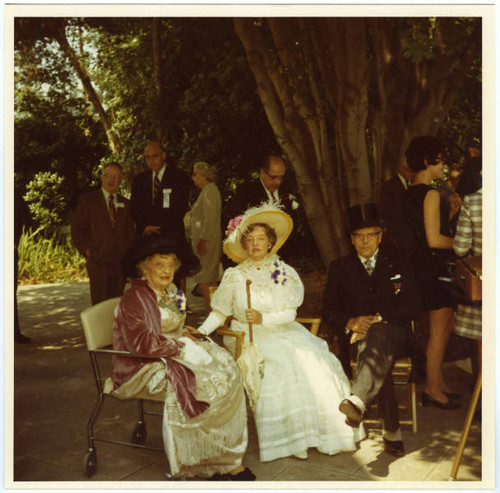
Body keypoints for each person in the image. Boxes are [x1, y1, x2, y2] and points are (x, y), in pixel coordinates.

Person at [198, 202, 364, 463]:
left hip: (284, 329)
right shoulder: (234, 275)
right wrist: (201, 332)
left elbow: (290, 313)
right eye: (250, 239)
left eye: (260, 239)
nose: (255, 245)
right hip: (248, 335)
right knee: (281, 363)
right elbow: (219, 312)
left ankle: (318, 434)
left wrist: (265, 317)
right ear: (243, 244)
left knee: (315, 359)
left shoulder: (282, 272)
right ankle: (288, 439)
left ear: (269, 242)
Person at [110, 234, 254, 481]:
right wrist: (180, 344)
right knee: (203, 384)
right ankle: (198, 462)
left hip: (171, 350)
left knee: (228, 369)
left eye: (171, 265)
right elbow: (142, 343)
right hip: (142, 365)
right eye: (159, 265)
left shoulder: (172, 290)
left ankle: (223, 457)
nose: (167, 271)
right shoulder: (134, 298)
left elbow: (169, 325)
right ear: (144, 267)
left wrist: (186, 333)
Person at [322, 203, 420, 458]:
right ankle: (391, 430)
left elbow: (413, 305)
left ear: (380, 236)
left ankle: (358, 399)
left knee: (377, 338)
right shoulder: (340, 267)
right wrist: (351, 322)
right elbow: (329, 310)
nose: (365, 241)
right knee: (376, 351)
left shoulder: (398, 262)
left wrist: (379, 318)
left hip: (397, 334)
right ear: (352, 240)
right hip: (360, 339)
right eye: (359, 236)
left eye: (371, 235)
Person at [402, 136, 461, 409]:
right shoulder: (431, 193)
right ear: (427, 161)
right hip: (434, 270)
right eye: (441, 159)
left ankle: (438, 381)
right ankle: (432, 388)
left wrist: (449, 215)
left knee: (444, 327)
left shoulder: (409, 193)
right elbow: (434, 240)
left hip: (420, 268)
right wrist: (463, 245)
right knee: (440, 329)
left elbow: (423, 230)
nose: (444, 166)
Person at [71, 162, 135, 305]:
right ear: (101, 177)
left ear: (121, 180)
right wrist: (87, 251)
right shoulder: (88, 200)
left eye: (116, 176)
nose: (111, 180)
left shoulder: (126, 204)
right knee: (100, 306)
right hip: (98, 262)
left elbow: (130, 233)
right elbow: (76, 229)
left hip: (119, 264)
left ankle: (114, 329)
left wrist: (127, 255)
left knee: (116, 305)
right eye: (108, 176)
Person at [453, 157, 482, 372]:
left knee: (485, 342)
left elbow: (461, 249)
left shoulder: (472, 202)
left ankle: (485, 397)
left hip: (485, 283)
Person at [130, 140, 190, 239]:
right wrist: (144, 227)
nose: (151, 160)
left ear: (163, 156)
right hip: (147, 236)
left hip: (171, 236)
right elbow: (134, 207)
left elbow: (180, 207)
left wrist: (159, 228)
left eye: (155, 156)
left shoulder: (179, 177)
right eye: (147, 157)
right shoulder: (139, 180)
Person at [225, 155, 298, 222]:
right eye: (273, 177)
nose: (278, 182)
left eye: (281, 177)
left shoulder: (287, 189)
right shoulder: (246, 192)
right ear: (262, 173)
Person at [190, 161, 222, 309]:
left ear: (203, 175)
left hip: (207, 242)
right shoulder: (208, 191)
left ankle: (212, 314)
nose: (193, 178)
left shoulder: (210, 191)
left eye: (195, 174)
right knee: (209, 279)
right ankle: (215, 314)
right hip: (206, 240)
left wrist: (202, 240)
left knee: (204, 278)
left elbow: (211, 219)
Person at [379, 161, 416, 254]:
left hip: (409, 235)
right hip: (396, 233)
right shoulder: (389, 186)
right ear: (402, 169)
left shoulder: (411, 185)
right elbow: (383, 210)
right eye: (410, 171)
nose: (413, 175)